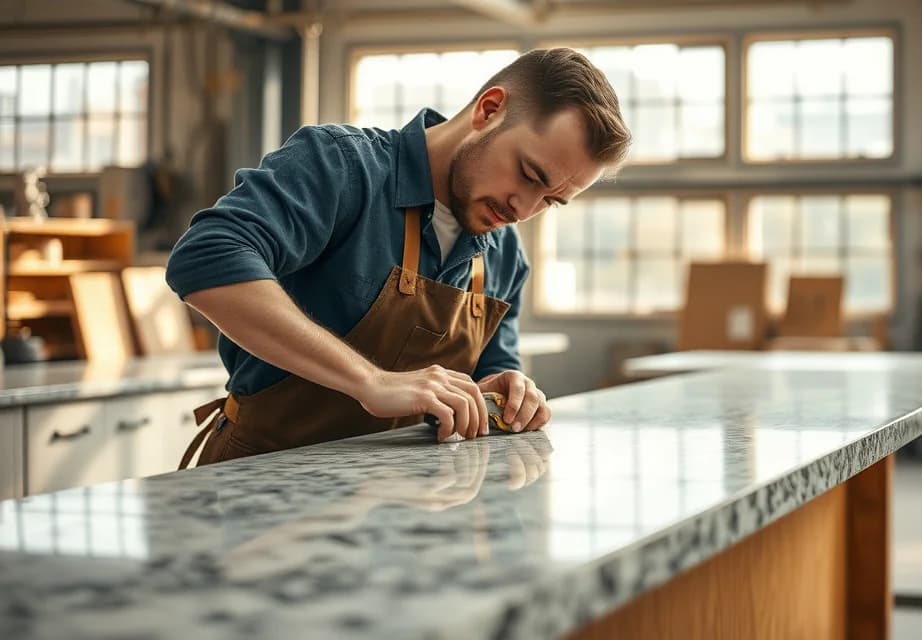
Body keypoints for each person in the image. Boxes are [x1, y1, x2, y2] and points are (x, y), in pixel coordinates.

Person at [166, 48, 631, 467]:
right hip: (261, 476)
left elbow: (488, 376)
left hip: (400, 498)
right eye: (529, 174)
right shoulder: (341, 167)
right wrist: (371, 380)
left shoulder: (504, 255)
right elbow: (207, 256)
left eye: (551, 200)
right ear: (489, 110)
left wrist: (505, 395)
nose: (523, 210)